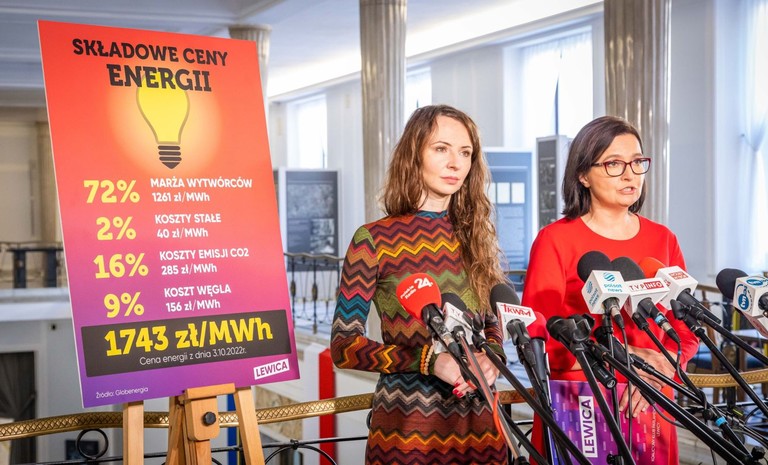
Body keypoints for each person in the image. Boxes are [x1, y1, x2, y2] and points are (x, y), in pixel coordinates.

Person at [330, 104, 509, 464]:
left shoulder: (475, 236)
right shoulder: (373, 239)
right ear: (415, 155)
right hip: (408, 429)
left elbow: (491, 322)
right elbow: (344, 347)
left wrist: (492, 357)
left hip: (483, 424)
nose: (455, 163)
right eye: (441, 149)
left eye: (465, 153)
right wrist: (428, 361)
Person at [521, 115, 699, 464]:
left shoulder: (663, 239)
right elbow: (539, 335)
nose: (631, 175)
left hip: (651, 399)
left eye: (637, 162)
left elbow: (685, 329)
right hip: (581, 402)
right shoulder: (555, 240)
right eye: (614, 164)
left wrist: (664, 370)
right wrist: (630, 359)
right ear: (583, 175)